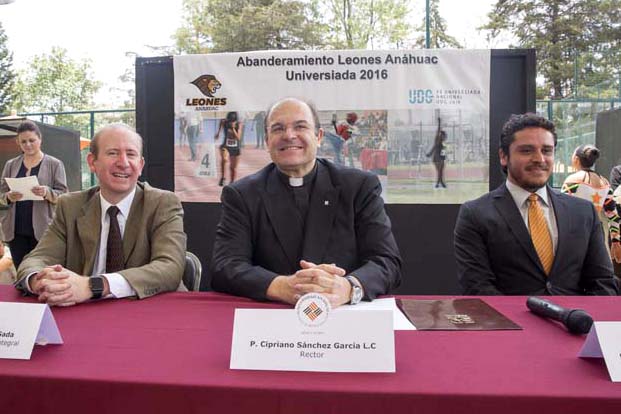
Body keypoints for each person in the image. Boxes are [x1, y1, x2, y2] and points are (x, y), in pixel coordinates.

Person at [211, 98, 402, 307]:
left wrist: (348, 288)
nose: (289, 135)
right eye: (278, 128)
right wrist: (280, 286)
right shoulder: (241, 195)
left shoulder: (359, 187)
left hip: (345, 316)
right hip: (271, 321)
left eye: (300, 126)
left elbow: (386, 262)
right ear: (267, 141)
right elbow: (225, 266)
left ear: (318, 136)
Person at [14, 124, 187, 306]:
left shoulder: (162, 203)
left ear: (141, 165)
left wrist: (93, 286)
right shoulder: (70, 206)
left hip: (152, 313)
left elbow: (170, 267)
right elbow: (36, 259)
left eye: (131, 154)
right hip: (86, 315)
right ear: (92, 162)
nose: (123, 162)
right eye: (113, 153)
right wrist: (41, 281)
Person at [454, 113, 618, 295]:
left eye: (546, 150)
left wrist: (579, 321)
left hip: (574, 322)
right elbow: (478, 288)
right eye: (526, 150)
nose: (539, 159)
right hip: (511, 322)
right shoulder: (476, 214)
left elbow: (602, 283)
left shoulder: (583, 212)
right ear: (503, 156)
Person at [0, 120, 68, 269]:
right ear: (18, 142)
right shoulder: (11, 165)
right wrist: (9, 197)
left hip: (43, 230)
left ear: (40, 139)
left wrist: (47, 192)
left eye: (32, 140)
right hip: (15, 231)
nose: (28, 144)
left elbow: (63, 195)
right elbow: (2, 195)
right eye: (23, 141)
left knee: (42, 272)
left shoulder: (54, 164)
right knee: (21, 272)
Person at [561, 144, 621, 264]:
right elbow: (612, 214)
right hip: (597, 232)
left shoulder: (572, 181)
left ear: (576, 159)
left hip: (574, 231)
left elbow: (561, 209)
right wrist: (615, 240)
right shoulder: (604, 182)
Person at [215, 112, 243, 186]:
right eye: (230, 121)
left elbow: (238, 138)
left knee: (233, 168)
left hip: (235, 148)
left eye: (233, 121)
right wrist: (218, 134)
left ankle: (232, 182)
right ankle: (223, 178)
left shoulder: (239, 124)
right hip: (225, 146)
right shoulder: (224, 122)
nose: (231, 123)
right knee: (224, 159)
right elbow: (220, 126)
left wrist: (233, 128)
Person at [426, 117, 447, 188]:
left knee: (441, 171)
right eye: (443, 136)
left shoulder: (443, 142)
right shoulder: (437, 139)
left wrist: (444, 158)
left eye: (445, 136)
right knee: (439, 171)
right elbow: (434, 147)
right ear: (441, 136)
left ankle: (440, 182)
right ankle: (439, 183)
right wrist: (439, 123)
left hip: (441, 158)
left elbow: (443, 151)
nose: (444, 137)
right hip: (437, 158)